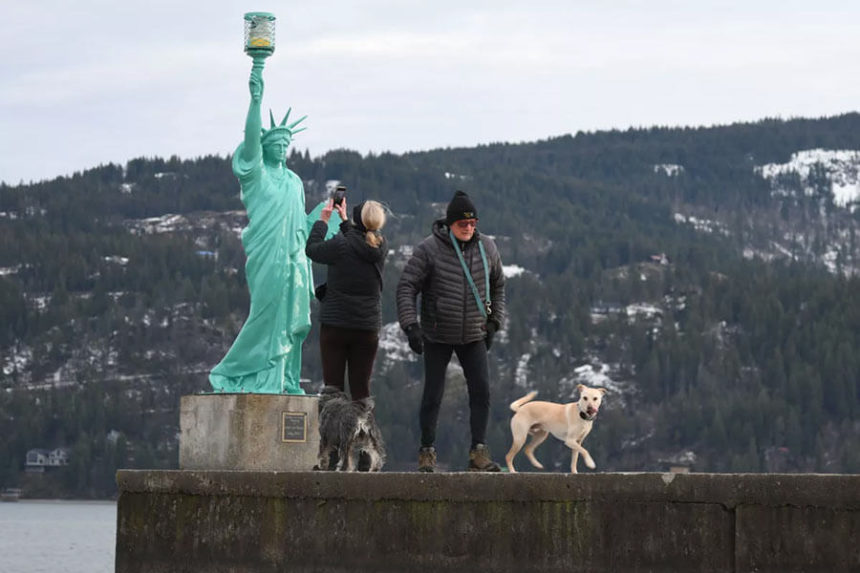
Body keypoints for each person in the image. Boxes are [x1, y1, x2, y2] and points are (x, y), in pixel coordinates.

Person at [209, 57, 323, 394]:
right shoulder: (256, 177)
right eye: (276, 145)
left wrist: (322, 217)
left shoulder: (294, 181)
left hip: (294, 259)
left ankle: (284, 379)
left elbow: (299, 224)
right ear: (264, 148)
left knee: (291, 324)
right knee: (264, 316)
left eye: (286, 146)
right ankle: (233, 372)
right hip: (267, 257)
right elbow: (250, 138)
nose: (283, 150)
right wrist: (256, 99)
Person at [396, 190, 506, 472]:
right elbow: (407, 286)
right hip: (437, 333)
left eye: (473, 223)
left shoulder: (488, 248)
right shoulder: (429, 249)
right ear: (449, 223)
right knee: (433, 395)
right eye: (462, 224)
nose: (469, 228)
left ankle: (479, 452)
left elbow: (498, 285)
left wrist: (495, 321)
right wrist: (411, 326)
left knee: (481, 392)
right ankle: (427, 451)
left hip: (474, 333)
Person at [306, 197, 388, 401]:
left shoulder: (339, 245)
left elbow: (312, 249)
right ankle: (364, 431)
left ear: (356, 220)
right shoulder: (381, 246)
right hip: (367, 328)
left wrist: (322, 222)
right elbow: (358, 242)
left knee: (333, 391)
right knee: (361, 392)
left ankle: (333, 432)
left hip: (336, 325)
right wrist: (344, 220)